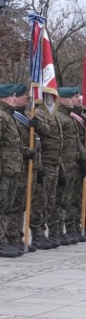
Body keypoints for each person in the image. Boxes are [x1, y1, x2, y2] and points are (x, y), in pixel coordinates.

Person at [0, 83, 32, 257]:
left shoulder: (9, 116)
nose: (15, 99)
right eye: (11, 96)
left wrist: (28, 152)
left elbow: (13, 146)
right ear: (3, 97)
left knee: (9, 206)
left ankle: (6, 240)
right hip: (2, 170)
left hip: (12, 169)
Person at [52, 87, 86, 244]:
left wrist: (83, 159)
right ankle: (62, 229)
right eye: (72, 97)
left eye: (76, 97)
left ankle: (73, 228)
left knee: (74, 198)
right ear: (62, 99)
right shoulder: (59, 117)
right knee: (63, 198)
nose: (76, 99)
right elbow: (58, 144)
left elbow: (77, 142)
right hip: (64, 163)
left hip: (75, 163)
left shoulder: (72, 118)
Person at [28, 101, 62, 250]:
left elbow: (59, 143)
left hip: (54, 163)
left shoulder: (54, 116)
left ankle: (42, 232)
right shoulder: (38, 115)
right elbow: (41, 138)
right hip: (44, 164)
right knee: (40, 200)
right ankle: (37, 233)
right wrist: (39, 165)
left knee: (50, 200)